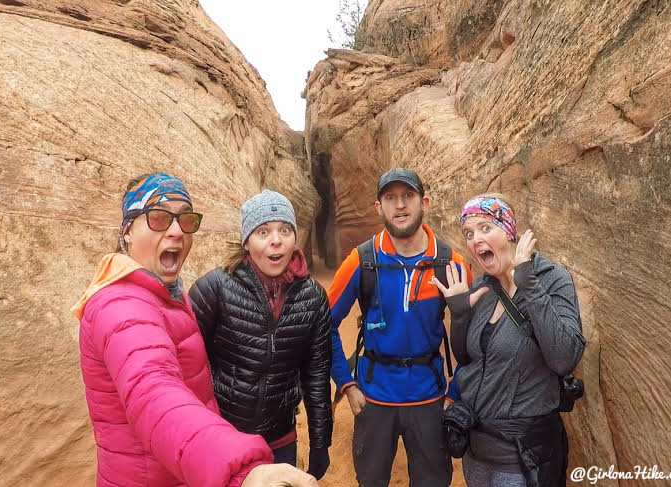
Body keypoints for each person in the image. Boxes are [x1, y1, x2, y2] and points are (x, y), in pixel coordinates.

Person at [72, 173, 318, 487]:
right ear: (127, 232)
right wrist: (241, 471)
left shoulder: (168, 296)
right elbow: (156, 395)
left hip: (183, 469)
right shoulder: (122, 305)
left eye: (185, 220)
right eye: (158, 218)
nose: (176, 230)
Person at [327, 168, 470, 487]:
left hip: (430, 398)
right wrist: (346, 385)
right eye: (390, 197)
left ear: (425, 202)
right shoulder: (362, 260)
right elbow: (325, 325)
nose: (400, 205)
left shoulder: (448, 262)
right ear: (379, 208)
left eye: (408, 196)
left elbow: (475, 336)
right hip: (374, 398)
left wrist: (455, 391)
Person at [433, 194, 586, 487]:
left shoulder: (552, 278)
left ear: (509, 229)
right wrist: (460, 313)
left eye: (485, 228)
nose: (475, 239)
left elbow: (564, 357)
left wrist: (526, 280)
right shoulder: (481, 286)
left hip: (522, 459)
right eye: (469, 233)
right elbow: (466, 359)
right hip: (476, 453)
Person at [189, 190, 333, 480]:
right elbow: (190, 370)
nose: (276, 239)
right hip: (223, 439)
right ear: (246, 242)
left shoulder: (313, 298)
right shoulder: (214, 290)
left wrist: (320, 443)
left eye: (285, 230)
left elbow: (316, 375)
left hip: (280, 441)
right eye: (263, 231)